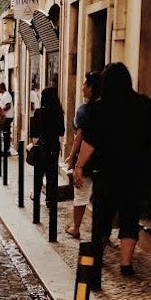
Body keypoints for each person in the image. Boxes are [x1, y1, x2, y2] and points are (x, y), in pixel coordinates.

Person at [74, 62, 151, 277]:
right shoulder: (143, 104)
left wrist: (79, 166)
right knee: (130, 215)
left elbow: (90, 142)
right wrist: (148, 159)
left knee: (103, 216)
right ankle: (125, 264)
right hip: (135, 171)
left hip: (107, 172)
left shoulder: (99, 109)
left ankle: (97, 259)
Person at [65, 71, 102, 239]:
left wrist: (72, 158)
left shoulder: (84, 110)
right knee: (102, 197)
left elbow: (79, 137)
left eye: (85, 84)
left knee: (80, 193)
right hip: (104, 159)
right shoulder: (107, 109)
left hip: (86, 159)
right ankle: (102, 232)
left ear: (91, 88)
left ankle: (76, 227)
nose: (82, 88)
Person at [30, 85, 65, 211]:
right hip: (53, 148)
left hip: (41, 149)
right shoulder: (59, 113)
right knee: (52, 175)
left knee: (38, 175)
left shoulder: (39, 113)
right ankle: (51, 200)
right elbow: (62, 132)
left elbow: (33, 133)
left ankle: (36, 197)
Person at [0, 81, 14, 154]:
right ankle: (5, 149)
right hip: (6, 117)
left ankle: (6, 149)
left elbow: (8, 106)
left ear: (1, 88)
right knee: (5, 133)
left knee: (6, 133)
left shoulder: (6, 95)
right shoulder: (5, 95)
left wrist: (1, 111)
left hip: (7, 117)